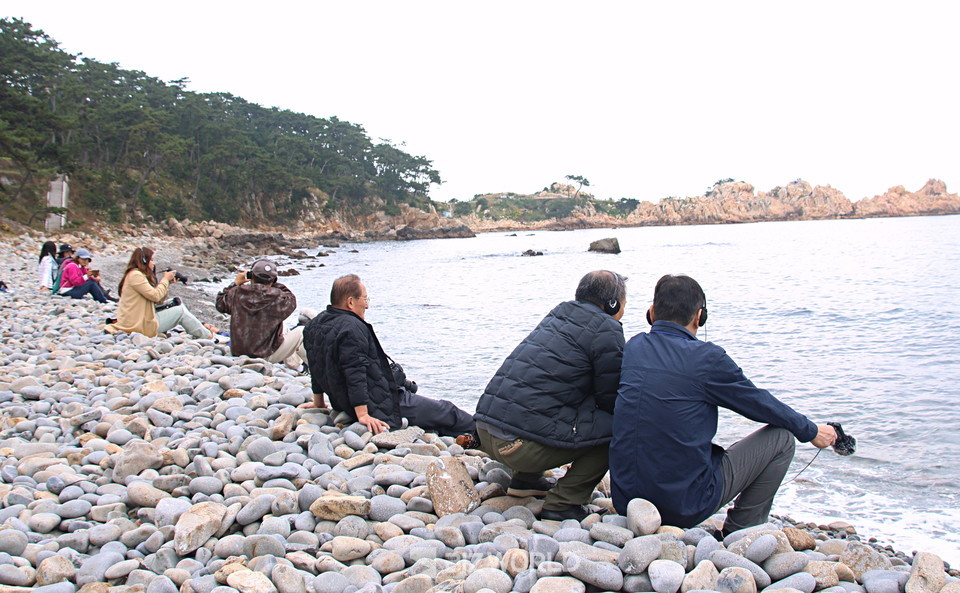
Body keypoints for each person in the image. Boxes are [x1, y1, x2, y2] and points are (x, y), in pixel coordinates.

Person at [610, 274, 838, 535]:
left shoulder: (635, 346)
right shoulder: (707, 358)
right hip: (683, 506)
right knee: (782, 439)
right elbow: (760, 403)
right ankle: (741, 530)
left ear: (651, 313)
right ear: (700, 317)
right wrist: (811, 430)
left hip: (626, 500)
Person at [473, 270, 628, 521]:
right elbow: (610, 399)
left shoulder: (559, 314)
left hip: (486, 432)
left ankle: (525, 482)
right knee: (617, 427)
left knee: (548, 399)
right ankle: (564, 502)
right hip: (516, 447)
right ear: (613, 304)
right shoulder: (606, 329)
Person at [303, 274, 475, 437]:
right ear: (350, 302)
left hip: (346, 401)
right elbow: (355, 372)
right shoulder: (352, 328)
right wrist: (363, 415)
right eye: (365, 299)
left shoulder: (314, 324)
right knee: (447, 411)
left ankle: (467, 439)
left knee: (431, 413)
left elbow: (315, 363)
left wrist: (319, 402)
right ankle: (483, 434)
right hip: (379, 403)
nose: (367, 306)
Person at [215, 259, 308, 370]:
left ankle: (296, 366)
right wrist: (272, 282)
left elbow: (220, 303)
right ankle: (312, 369)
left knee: (285, 329)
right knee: (302, 331)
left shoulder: (236, 292)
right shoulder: (278, 296)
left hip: (238, 352)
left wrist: (235, 283)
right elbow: (291, 300)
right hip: (265, 355)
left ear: (251, 276)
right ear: (274, 279)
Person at [105, 247, 215, 339]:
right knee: (180, 311)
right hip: (138, 325)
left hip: (138, 319)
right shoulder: (136, 275)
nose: (153, 263)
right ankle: (207, 336)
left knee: (175, 302)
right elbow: (155, 296)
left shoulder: (134, 274)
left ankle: (202, 332)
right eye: (151, 260)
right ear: (144, 261)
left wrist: (168, 283)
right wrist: (165, 280)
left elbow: (158, 300)